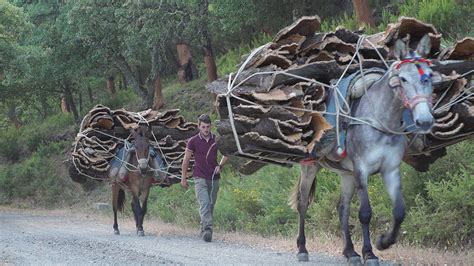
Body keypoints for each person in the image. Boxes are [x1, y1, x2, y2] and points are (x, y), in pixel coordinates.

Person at [181, 114, 229, 242]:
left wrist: (220, 165)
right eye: (203, 127)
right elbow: (186, 159)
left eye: (208, 127)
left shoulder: (216, 139)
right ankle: (208, 229)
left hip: (214, 177)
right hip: (199, 176)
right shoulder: (193, 141)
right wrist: (183, 178)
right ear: (199, 127)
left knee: (211, 204)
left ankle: (203, 227)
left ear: (211, 126)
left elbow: (227, 153)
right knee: (205, 203)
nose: (206, 129)